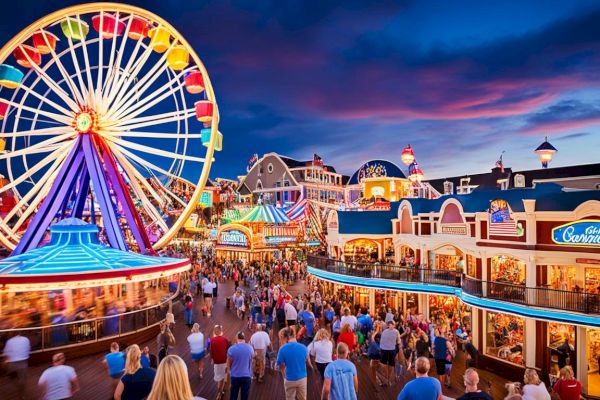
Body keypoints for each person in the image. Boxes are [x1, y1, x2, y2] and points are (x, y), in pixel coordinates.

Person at [276, 327, 312, 400]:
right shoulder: (304, 347)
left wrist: (284, 376)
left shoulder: (282, 349)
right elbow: (308, 363)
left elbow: (281, 366)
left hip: (289, 378)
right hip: (302, 378)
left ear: (286, 337)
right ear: (293, 335)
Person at [2, 332, 30, 400]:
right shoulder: (26, 339)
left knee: (10, 376)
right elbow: (28, 349)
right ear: (20, 333)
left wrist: (5, 362)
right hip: (23, 362)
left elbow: (6, 354)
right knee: (22, 380)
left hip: (13, 363)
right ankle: (22, 395)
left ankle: (14, 383)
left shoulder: (9, 341)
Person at [227, 331, 254, 400]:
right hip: (247, 376)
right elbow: (251, 361)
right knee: (244, 397)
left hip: (235, 376)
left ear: (237, 338)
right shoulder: (250, 348)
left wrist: (229, 371)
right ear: (244, 338)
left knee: (233, 396)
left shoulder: (231, 349)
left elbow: (229, 362)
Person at [209, 324, 229, 400]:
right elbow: (228, 350)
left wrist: (212, 359)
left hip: (217, 362)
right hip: (224, 361)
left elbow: (211, 351)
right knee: (224, 376)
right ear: (221, 332)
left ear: (214, 332)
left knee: (219, 377)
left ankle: (219, 392)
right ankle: (222, 390)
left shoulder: (212, 340)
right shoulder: (225, 339)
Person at [379, 320, 400, 386]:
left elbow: (381, 341)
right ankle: (387, 377)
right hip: (391, 350)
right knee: (390, 364)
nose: (393, 326)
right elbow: (398, 341)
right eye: (392, 324)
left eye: (393, 324)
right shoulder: (396, 331)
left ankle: (386, 377)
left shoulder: (384, 331)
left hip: (384, 349)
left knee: (385, 364)